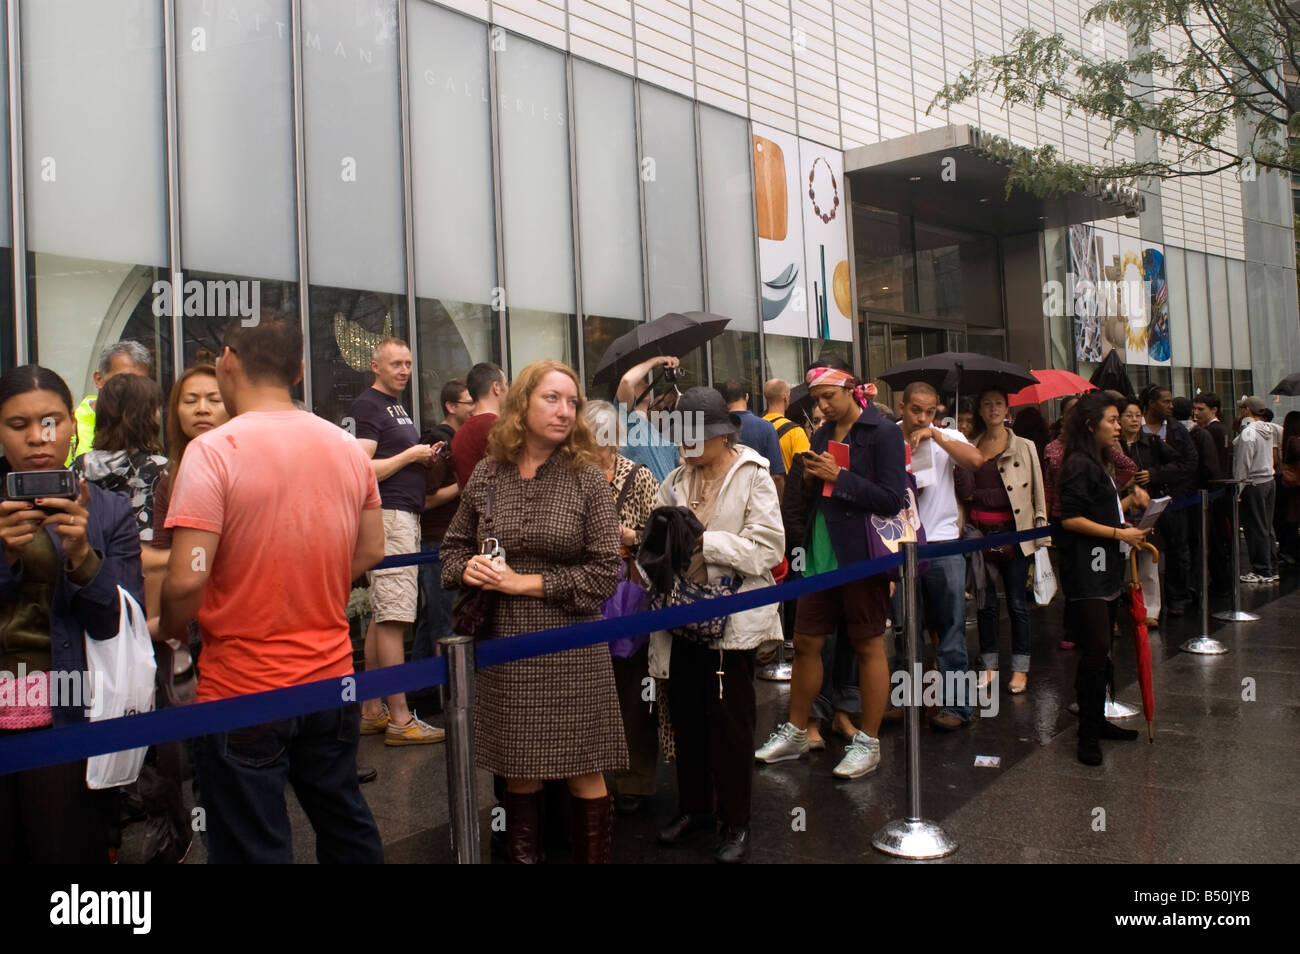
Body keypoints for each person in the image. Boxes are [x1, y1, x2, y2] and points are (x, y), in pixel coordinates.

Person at [159, 313, 386, 864]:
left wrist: (169, 629)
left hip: (243, 688)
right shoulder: (345, 448)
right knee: (345, 821)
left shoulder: (212, 452)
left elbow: (189, 574)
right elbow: (373, 550)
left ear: (227, 362)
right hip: (332, 677)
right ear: (300, 371)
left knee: (252, 844)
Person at [440, 360, 625, 864]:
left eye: (572, 402)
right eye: (552, 398)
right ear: (521, 403)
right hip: (507, 643)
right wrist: (471, 569)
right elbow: (451, 551)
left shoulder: (588, 478)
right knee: (519, 768)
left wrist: (527, 582)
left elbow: (606, 572)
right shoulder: (488, 473)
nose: (565, 411)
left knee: (584, 767)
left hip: (571, 642)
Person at [0, 365, 144, 863]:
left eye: (51, 421)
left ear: (72, 425)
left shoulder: (107, 512)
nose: (38, 437)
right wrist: (5, 559)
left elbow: (119, 624)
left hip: (69, 709)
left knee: (66, 858)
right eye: (18, 425)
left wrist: (83, 557)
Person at [651, 387, 783, 862]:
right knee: (687, 719)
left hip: (734, 621)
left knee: (730, 725)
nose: (688, 447)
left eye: (697, 438)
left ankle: (736, 822)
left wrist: (708, 543)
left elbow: (769, 549)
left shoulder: (754, 475)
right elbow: (661, 541)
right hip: (683, 615)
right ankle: (695, 809)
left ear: (723, 435)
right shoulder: (675, 479)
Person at [755, 366, 906, 780]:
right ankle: (798, 728)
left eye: (828, 397)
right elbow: (812, 492)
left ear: (852, 390)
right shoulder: (821, 433)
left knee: (867, 644)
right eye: (816, 398)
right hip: (820, 553)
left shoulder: (883, 431)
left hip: (862, 555)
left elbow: (892, 499)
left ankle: (868, 741)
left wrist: (839, 478)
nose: (821, 406)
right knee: (805, 641)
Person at [349, 338, 442, 745]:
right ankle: (401, 720)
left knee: (383, 611)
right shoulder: (368, 405)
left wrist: (421, 456)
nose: (404, 370)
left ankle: (371, 709)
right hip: (389, 516)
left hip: (401, 514)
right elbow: (360, 467)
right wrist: (410, 457)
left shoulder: (393, 406)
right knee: (396, 615)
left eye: (408, 363)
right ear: (375, 366)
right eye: (396, 364)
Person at [1057, 391, 1151, 766]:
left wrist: (1128, 508)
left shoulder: (1098, 461)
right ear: (1090, 424)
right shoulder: (1078, 463)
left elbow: (1101, 510)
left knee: (1104, 649)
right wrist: (1119, 535)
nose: (1118, 426)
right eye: (1112, 420)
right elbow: (1071, 519)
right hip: (1086, 571)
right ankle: (1087, 734)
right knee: (1095, 649)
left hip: (1105, 568)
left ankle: (1098, 720)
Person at [583, 399, 660, 815]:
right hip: (584, 595)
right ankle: (590, 778)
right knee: (591, 691)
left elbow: (659, 536)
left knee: (634, 688)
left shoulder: (639, 477)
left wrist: (629, 537)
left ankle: (636, 781)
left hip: (628, 594)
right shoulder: (571, 478)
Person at [895, 381, 982, 729]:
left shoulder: (946, 436)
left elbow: (976, 461)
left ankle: (956, 706)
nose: (922, 417)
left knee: (951, 629)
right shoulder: (888, 436)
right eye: (916, 410)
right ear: (901, 406)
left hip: (943, 542)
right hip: (900, 544)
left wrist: (937, 435)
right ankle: (907, 702)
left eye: (930, 411)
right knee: (905, 630)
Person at [960, 387, 1046, 694]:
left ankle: (1021, 668)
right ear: (980, 410)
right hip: (980, 535)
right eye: (987, 404)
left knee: (1017, 603)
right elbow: (965, 493)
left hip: (1016, 533)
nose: (993, 409)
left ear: (1007, 409)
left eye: (998, 404)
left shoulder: (1024, 446)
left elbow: (1037, 490)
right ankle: (989, 664)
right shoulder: (971, 445)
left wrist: (1040, 532)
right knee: (985, 604)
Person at [71, 372, 169, 598]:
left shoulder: (75, 469)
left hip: (88, 581)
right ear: (147, 416)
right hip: (143, 588)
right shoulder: (161, 470)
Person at [149, 365, 229, 625]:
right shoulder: (169, 481)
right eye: (190, 401)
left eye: (214, 400)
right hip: (192, 616)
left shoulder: (248, 467)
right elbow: (164, 562)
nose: (202, 409)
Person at [412, 380, 472, 669]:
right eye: (468, 402)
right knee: (443, 621)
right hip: (437, 540)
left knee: (431, 616)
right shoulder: (438, 442)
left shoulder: (460, 439)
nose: (474, 408)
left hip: (448, 541)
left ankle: (419, 690)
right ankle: (448, 697)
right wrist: (466, 484)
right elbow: (426, 499)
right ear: (451, 406)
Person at [1140, 385, 1197, 614]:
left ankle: (1177, 598)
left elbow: (1190, 463)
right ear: (1152, 402)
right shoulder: (1138, 428)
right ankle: (1145, 601)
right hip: (1143, 500)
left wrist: (1159, 476)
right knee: (1145, 550)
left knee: (1177, 548)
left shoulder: (1177, 430)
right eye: (1165, 401)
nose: (1170, 406)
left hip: (1174, 498)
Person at [1118, 396, 1172, 627]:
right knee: (1120, 564)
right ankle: (1121, 610)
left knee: (1149, 561)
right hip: (1121, 509)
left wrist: (1154, 474)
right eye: (1128, 415)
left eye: (1136, 415)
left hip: (1146, 509)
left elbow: (1177, 464)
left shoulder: (1150, 441)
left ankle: (1151, 610)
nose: (1133, 420)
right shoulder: (1113, 445)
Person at [67, 340, 153, 464]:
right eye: (122, 380)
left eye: (140, 382)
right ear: (99, 379)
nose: (132, 389)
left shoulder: (147, 423)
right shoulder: (73, 423)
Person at [615, 355, 682, 482]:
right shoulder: (624, 420)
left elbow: (685, 461)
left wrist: (683, 415)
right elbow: (627, 381)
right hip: (642, 499)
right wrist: (656, 361)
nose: (646, 384)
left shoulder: (656, 432)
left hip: (667, 500)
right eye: (639, 382)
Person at [1234, 396, 1279, 584]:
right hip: (1269, 480)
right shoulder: (1269, 428)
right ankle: (1271, 567)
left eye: (1242, 408)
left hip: (1254, 483)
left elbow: (1244, 462)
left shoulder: (1249, 432)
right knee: (1267, 527)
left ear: (1247, 410)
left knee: (1255, 527)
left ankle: (1262, 570)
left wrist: (1238, 487)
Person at [1193, 392, 1234, 594]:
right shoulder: (1219, 429)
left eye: (1201, 409)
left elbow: (1212, 465)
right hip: (1218, 490)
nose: (1196, 413)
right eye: (1195, 409)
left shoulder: (1212, 431)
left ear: (1214, 410)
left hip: (1214, 492)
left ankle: (1221, 581)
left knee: (1215, 537)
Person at [451, 362, 507, 489]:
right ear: (496, 387)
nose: (508, 390)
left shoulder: (460, 433)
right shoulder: (496, 427)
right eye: (506, 384)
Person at [762, 377, 812, 474]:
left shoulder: (759, 427)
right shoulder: (795, 432)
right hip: (787, 487)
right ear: (785, 397)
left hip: (763, 487)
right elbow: (806, 466)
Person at [1277, 411, 1300, 565]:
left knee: (1293, 516)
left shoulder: (1290, 438)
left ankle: (1288, 549)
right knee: (1293, 516)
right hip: (1295, 484)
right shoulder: (1293, 440)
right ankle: (1288, 550)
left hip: (1293, 484)